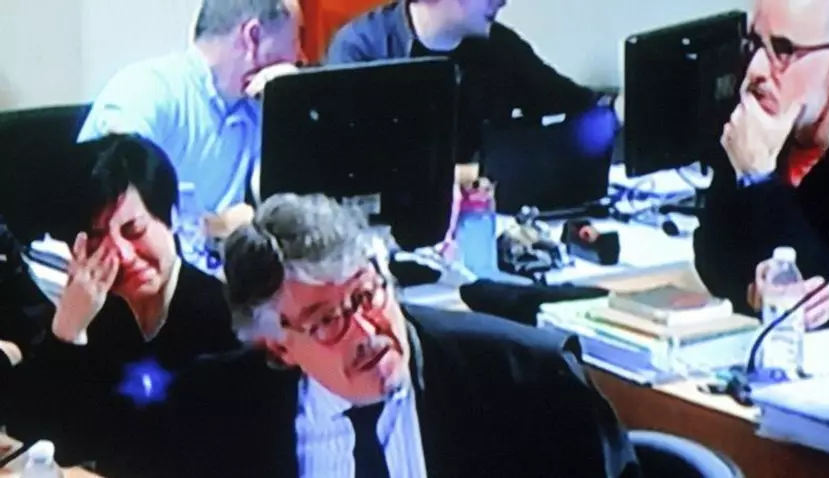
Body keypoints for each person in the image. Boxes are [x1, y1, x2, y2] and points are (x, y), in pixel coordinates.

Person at [147, 193, 640, 478]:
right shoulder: (217, 411)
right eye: (326, 320)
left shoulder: (530, 382)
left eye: (367, 295)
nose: (365, 330)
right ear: (277, 346)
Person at [6, 134, 241, 476]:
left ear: (171, 217)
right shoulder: (97, 314)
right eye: (98, 239)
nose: (123, 255)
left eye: (134, 230)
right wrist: (66, 333)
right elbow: (34, 431)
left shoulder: (225, 320)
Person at [77, 0, 301, 231]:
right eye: (295, 40)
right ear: (253, 36)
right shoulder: (146, 91)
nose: (298, 56)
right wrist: (218, 226)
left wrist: (290, 103)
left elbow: (292, 207)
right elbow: (121, 213)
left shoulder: (254, 105)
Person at [694, 0, 829, 328]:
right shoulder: (761, 121)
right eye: (754, 44)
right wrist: (753, 293)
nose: (756, 69)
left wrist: (760, 181)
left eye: (783, 50)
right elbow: (711, 252)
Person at [325, 0, 623, 163]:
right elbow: (349, 168)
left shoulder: (500, 48)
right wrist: (471, 175)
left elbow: (571, 101)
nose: (503, 1)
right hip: (386, 237)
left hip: (482, 224)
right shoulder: (360, 50)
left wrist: (619, 108)